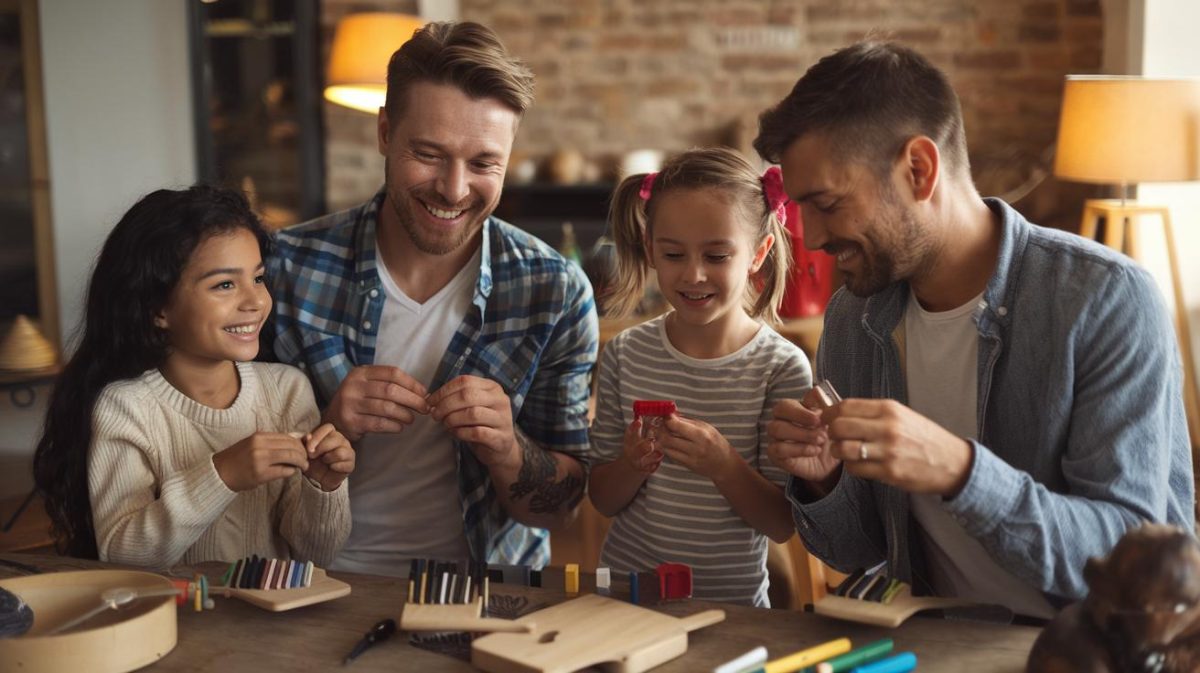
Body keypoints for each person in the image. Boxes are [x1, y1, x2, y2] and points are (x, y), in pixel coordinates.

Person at [755, 41, 1194, 618]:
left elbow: (1129, 560)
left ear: (919, 168)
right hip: (939, 643)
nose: (810, 238)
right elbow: (856, 551)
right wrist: (824, 483)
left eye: (828, 204)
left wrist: (959, 471)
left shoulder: (1106, 299)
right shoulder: (852, 317)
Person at [264, 21, 598, 574]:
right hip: (311, 585)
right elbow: (225, 476)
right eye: (429, 153)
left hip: (488, 593)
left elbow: (558, 512)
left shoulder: (554, 291)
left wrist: (507, 450)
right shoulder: (284, 268)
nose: (453, 188)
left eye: (484, 163)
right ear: (385, 133)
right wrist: (330, 423)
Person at [33, 186, 353, 567]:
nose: (255, 302)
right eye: (224, 284)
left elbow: (318, 554)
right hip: (175, 623)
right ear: (158, 307)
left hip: (273, 623)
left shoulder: (286, 391)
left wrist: (323, 486)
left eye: (258, 278)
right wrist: (223, 475)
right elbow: (123, 556)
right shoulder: (126, 407)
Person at [588, 147, 812, 607]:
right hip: (626, 602)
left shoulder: (781, 368)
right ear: (650, 248)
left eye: (716, 255)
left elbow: (781, 523)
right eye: (673, 253)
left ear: (758, 253)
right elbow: (602, 500)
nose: (693, 274)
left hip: (732, 610)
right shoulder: (626, 355)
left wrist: (723, 465)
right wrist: (631, 465)